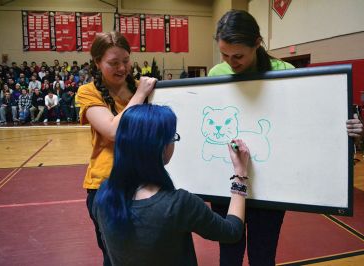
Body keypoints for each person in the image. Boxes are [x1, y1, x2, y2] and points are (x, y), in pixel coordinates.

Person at [208, 10, 364, 266]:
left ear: (257, 43)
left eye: (238, 56)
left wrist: (346, 129)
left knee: (263, 256)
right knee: (229, 255)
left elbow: (308, 125)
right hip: (227, 184)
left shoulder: (285, 72)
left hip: (272, 185)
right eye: (225, 55)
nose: (231, 62)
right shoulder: (217, 74)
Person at [92, 104, 250, 265]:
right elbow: (232, 231)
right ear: (162, 147)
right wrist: (240, 174)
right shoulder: (178, 204)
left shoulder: (104, 193)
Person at [76, 31, 157, 266]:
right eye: (113, 63)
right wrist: (141, 94)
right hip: (106, 187)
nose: (122, 68)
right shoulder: (88, 92)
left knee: (147, 254)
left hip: (144, 183)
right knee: (116, 258)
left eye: (126, 60)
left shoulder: (141, 88)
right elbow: (112, 131)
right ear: (97, 62)